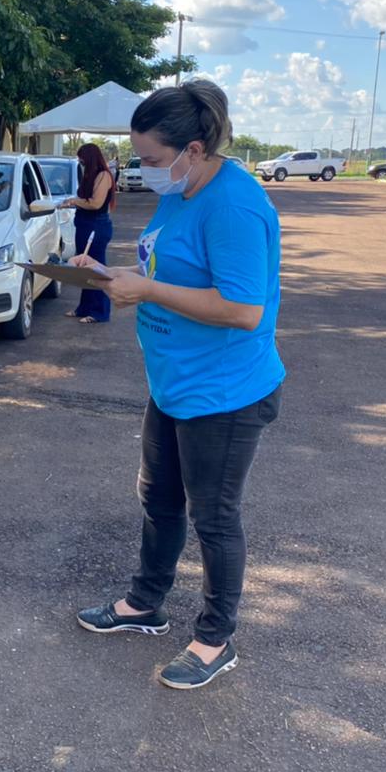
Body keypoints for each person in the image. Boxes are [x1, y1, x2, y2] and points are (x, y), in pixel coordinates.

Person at [71, 79, 285, 690]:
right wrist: (113, 274)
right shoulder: (183, 189)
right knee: (158, 498)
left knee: (214, 518)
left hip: (226, 392)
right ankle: (145, 605)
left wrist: (148, 291)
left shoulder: (234, 205)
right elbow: (161, 267)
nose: (145, 171)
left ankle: (216, 640)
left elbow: (244, 309)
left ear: (194, 149)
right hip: (173, 382)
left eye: (153, 160)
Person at [59, 143, 116, 324]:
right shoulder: (90, 175)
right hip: (84, 225)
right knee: (84, 266)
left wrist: (75, 201)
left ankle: (100, 311)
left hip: (96, 226)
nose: (81, 163)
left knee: (96, 268)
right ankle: (84, 307)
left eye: (83, 160)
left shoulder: (104, 176)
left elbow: (95, 203)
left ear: (90, 158)